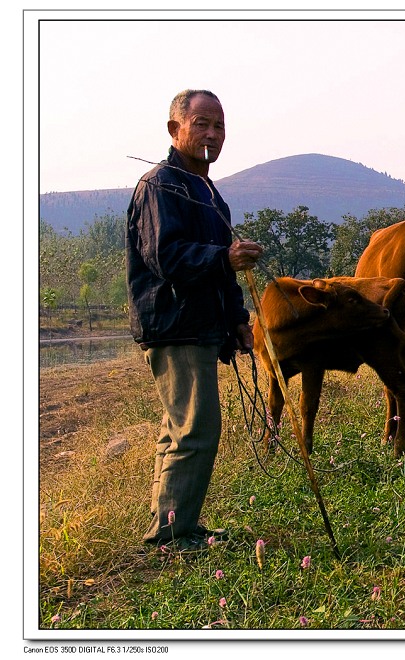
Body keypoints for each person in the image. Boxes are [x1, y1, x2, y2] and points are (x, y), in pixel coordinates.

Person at [126, 89, 264, 549]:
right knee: (196, 429)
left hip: (202, 326)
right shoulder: (159, 186)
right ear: (174, 130)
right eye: (201, 123)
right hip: (176, 325)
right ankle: (173, 535)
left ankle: (171, 525)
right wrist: (225, 257)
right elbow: (167, 257)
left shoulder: (207, 194)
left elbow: (224, 273)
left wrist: (238, 320)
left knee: (178, 429)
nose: (211, 134)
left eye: (219, 126)